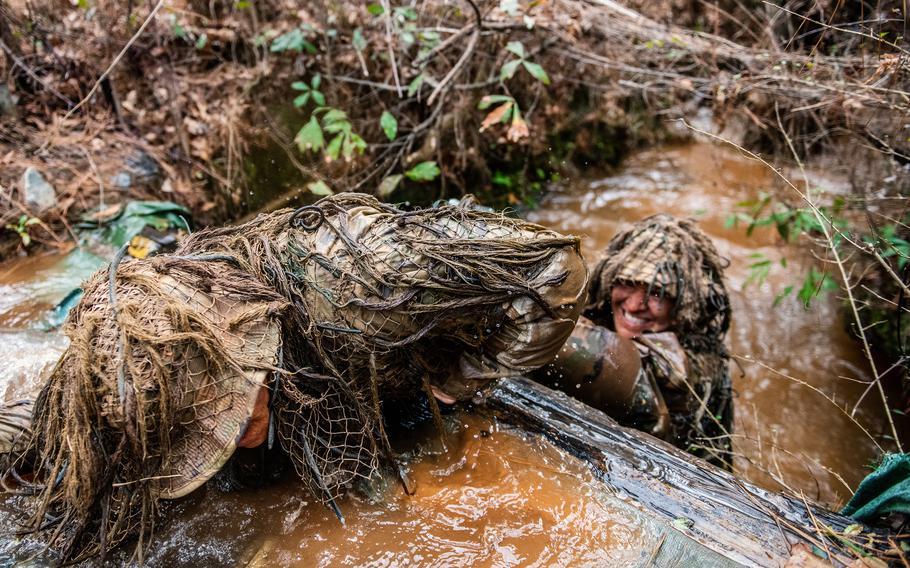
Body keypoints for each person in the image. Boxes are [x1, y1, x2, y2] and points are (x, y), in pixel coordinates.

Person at [9, 193, 586, 562]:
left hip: (412, 351)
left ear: (252, 358)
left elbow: (557, 268)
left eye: (229, 428)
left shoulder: (367, 272)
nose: (226, 446)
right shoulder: (127, 353)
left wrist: (460, 379)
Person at [535, 214, 734, 468]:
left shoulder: (695, 364)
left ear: (685, 305)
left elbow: (606, 360)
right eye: (627, 283)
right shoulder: (599, 309)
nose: (632, 305)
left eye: (657, 293)